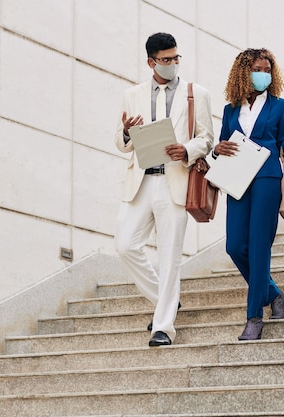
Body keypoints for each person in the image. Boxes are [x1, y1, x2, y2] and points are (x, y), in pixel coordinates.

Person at [114, 32, 214, 346]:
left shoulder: (196, 93)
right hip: (142, 181)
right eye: (165, 60)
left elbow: (207, 138)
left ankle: (163, 327)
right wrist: (128, 133)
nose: (172, 64)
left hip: (176, 181)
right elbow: (120, 142)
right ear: (151, 61)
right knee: (126, 245)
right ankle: (164, 299)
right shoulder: (132, 94)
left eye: (175, 58)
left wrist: (186, 150)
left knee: (170, 257)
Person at [213, 48, 284, 341]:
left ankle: (254, 317)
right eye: (257, 69)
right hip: (237, 178)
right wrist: (217, 149)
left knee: (258, 247)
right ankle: (275, 294)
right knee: (234, 246)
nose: (263, 74)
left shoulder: (281, 106)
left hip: (267, 177)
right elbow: (221, 143)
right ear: (244, 72)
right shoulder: (230, 109)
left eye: (267, 70)